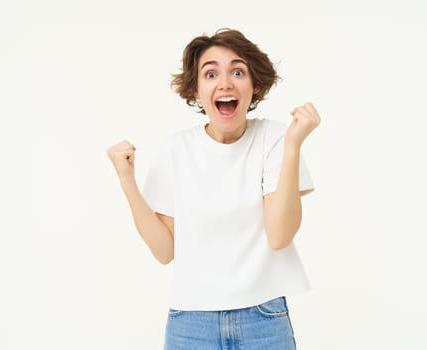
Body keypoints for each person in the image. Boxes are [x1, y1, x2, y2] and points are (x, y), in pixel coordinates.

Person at [107, 28, 320, 350]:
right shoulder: (174, 149)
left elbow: (280, 235)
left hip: (263, 316)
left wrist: (293, 147)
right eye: (210, 73)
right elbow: (165, 251)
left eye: (238, 71)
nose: (225, 83)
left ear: (255, 85)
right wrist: (127, 181)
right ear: (195, 89)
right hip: (191, 321)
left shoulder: (276, 139)